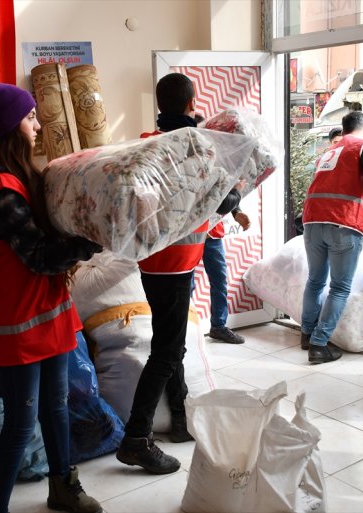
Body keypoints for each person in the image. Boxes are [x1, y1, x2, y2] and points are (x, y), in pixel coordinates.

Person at [0, 80, 103, 513]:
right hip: (21, 327)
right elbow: (41, 258)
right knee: (22, 426)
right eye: (30, 118)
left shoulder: (25, 178)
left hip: (49, 315)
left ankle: (63, 487)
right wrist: (91, 240)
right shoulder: (1, 191)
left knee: (57, 409)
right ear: (12, 126)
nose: (37, 126)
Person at [116, 73, 242, 473]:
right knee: (168, 348)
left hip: (153, 260)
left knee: (171, 339)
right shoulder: (199, 146)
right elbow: (223, 198)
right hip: (178, 262)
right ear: (192, 104)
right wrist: (235, 192)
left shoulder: (147, 142)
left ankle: (182, 418)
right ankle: (137, 438)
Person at [300, 110, 363, 363]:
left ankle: (307, 334)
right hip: (342, 222)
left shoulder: (331, 150)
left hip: (312, 221)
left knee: (315, 281)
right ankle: (319, 344)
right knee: (339, 287)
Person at [203, 203, 251, 344]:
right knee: (186, 286)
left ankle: (218, 327)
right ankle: (184, 332)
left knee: (220, 282)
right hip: (189, 234)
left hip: (213, 236)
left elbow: (227, 193)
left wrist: (236, 211)